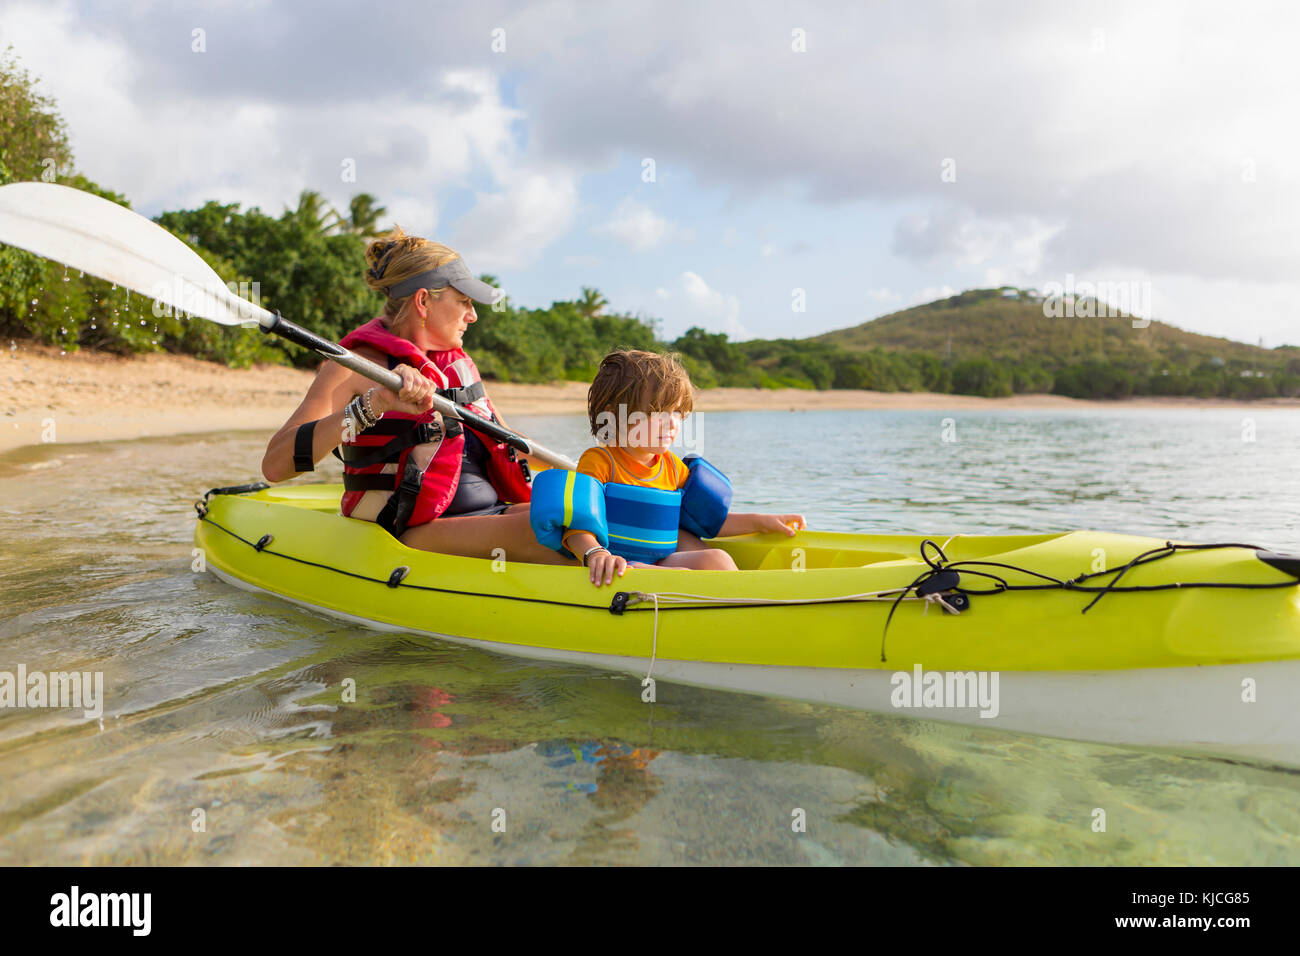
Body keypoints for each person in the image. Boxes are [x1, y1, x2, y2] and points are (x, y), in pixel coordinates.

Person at [261, 227, 574, 564]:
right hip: (412, 529)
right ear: (424, 301)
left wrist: (590, 471)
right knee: (546, 533)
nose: (474, 315)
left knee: (592, 519)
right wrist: (374, 404)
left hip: (488, 516)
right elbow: (276, 466)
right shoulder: (355, 367)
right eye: (464, 302)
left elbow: (509, 444)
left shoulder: (459, 367)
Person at [560, 349, 806, 586]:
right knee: (678, 574)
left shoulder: (672, 467)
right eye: (656, 411)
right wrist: (595, 554)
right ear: (614, 416)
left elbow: (706, 522)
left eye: (677, 411)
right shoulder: (600, 462)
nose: (671, 423)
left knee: (717, 559)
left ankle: (745, 603)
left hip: (660, 558)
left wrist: (760, 522)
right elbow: (578, 525)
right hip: (619, 565)